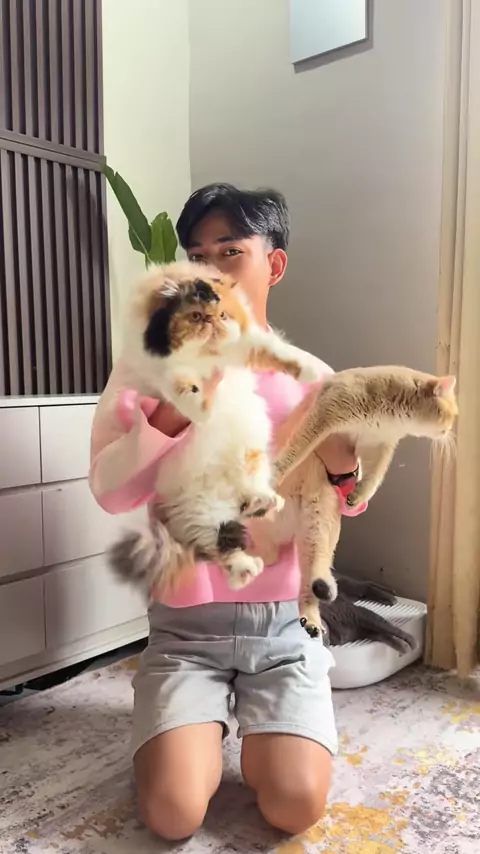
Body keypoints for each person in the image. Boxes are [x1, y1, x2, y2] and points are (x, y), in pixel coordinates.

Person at [89, 184, 364, 840]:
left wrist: (344, 466)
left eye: (230, 252)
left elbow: (350, 503)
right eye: (196, 255)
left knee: (294, 805)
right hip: (185, 633)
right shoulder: (146, 368)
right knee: (172, 814)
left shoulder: (312, 377)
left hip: (286, 632)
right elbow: (111, 491)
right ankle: (189, 727)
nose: (208, 271)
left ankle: (264, 725)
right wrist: (172, 410)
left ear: (274, 265)